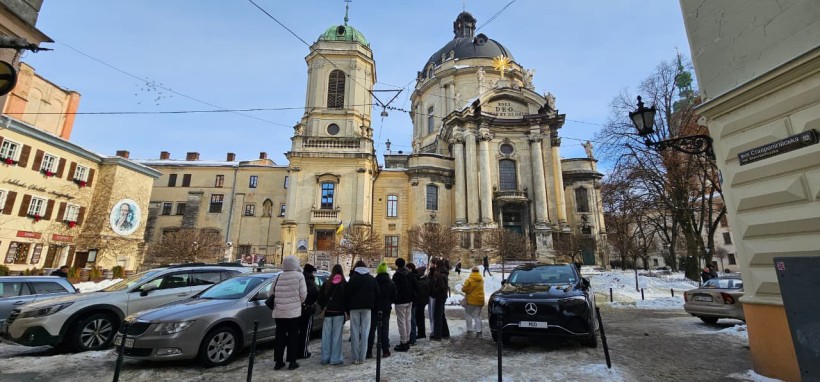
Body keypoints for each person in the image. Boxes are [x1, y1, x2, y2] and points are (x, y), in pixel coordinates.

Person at [272, 256, 307, 371]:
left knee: (279, 337)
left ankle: (278, 362)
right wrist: (297, 302)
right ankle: (292, 361)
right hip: (293, 313)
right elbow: (303, 294)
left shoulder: (278, 276)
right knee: (293, 337)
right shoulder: (299, 276)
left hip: (279, 312)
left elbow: (270, 293)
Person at [346, 260, 379, 365]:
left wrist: (347, 308)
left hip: (354, 307)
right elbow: (377, 293)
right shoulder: (371, 279)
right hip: (367, 308)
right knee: (365, 332)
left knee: (354, 332)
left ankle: (355, 357)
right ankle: (362, 357)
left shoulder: (353, 278)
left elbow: (348, 293)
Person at [318, 264, 347, 366]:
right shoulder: (344, 284)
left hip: (328, 313)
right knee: (336, 337)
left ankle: (325, 357)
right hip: (339, 313)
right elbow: (347, 299)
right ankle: (335, 358)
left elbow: (319, 298)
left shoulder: (326, 284)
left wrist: (323, 307)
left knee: (326, 336)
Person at [367, 263, 396, 359]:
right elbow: (394, 296)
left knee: (372, 329)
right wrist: (389, 302)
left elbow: (371, 295)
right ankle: (385, 351)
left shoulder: (374, 282)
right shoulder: (391, 283)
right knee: (384, 329)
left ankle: (369, 351)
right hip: (386, 308)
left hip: (375, 308)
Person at [392, 258, 416, 352]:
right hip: (409, 299)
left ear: (397, 265)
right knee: (407, 320)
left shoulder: (397, 275)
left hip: (400, 300)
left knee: (401, 321)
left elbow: (394, 288)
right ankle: (407, 339)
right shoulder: (409, 274)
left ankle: (404, 342)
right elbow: (414, 286)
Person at [295, 263, 319, 360]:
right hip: (308, 309)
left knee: (298, 331)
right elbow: (315, 294)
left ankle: (296, 351)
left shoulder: (300, 279)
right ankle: (303, 352)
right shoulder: (310, 281)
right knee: (305, 332)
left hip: (298, 308)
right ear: (311, 272)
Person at [461, 266, 485, 338]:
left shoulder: (469, 280)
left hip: (471, 300)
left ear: (472, 271)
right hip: (480, 300)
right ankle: (479, 333)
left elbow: (464, 289)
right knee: (477, 316)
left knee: (468, 314)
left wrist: (465, 288)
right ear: (478, 271)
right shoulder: (481, 280)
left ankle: (469, 331)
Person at [430, 260, 450, 340]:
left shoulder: (441, 275)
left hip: (439, 297)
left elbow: (441, 287)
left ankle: (438, 335)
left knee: (438, 316)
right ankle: (445, 333)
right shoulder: (444, 273)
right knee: (441, 315)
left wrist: (434, 290)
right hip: (442, 296)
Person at [413, 265, 429, 342]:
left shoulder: (422, 282)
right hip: (422, 301)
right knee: (419, 317)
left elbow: (420, 294)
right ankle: (421, 332)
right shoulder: (423, 281)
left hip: (420, 302)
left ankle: (421, 333)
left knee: (419, 317)